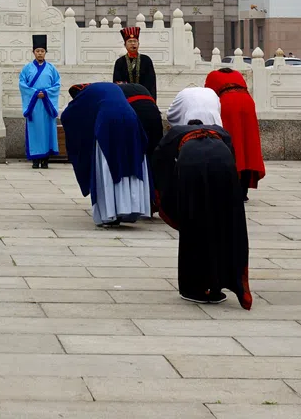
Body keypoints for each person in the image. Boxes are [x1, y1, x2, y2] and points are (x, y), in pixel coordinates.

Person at [151, 85, 252, 308]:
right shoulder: (222, 132)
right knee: (225, 224)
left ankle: (196, 286)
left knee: (195, 224)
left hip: (192, 166)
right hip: (223, 166)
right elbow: (232, 161)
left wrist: (167, 196)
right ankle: (228, 281)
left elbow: (159, 162)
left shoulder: (176, 133)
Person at [61, 82, 151, 226]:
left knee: (108, 166)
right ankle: (130, 209)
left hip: (109, 125)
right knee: (129, 162)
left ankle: (109, 213)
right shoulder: (109, 87)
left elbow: (67, 116)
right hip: (132, 120)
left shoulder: (85, 93)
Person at [204, 68, 266, 201]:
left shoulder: (213, 75)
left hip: (227, 104)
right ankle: (243, 191)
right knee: (248, 145)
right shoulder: (237, 74)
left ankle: (231, 187)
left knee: (232, 143)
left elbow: (208, 96)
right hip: (247, 102)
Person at [18, 34, 60, 168]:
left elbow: (57, 85)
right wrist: (35, 93)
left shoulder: (51, 69)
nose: (40, 53)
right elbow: (22, 84)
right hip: (34, 105)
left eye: (42, 51)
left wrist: (46, 93)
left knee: (48, 131)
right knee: (35, 130)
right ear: (33, 52)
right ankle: (35, 160)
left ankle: (45, 159)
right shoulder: (27, 68)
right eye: (37, 51)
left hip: (47, 104)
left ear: (45, 52)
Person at [112, 26, 157, 99]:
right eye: (130, 41)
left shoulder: (146, 60)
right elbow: (117, 83)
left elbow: (151, 84)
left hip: (144, 98)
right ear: (125, 45)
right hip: (126, 98)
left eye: (135, 41)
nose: (133, 43)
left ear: (138, 44)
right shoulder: (120, 62)